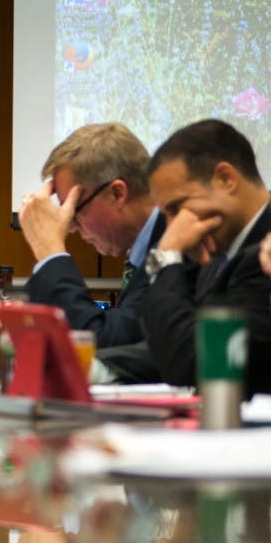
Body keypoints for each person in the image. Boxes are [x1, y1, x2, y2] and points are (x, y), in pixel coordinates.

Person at [134, 119, 271, 395]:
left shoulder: (264, 254)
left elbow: (192, 361)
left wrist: (165, 256)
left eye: (178, 207)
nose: (174, 228)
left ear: (226, 179)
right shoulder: (214, 254)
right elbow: (164, 341)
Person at [17, 122, 165, 348]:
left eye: (74, 210)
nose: (71, 228)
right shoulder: (148, 247)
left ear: (117, 193)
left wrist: (50, 252)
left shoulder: (180, 247)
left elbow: (101, 343)